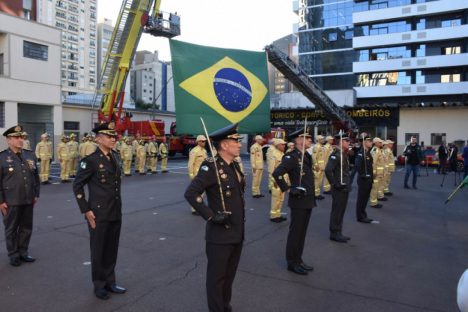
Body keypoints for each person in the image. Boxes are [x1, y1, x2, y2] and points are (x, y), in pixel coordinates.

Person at [184, 123, 245, 312]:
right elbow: (191, 193)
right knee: (217, 279)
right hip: (220, 234)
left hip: (236, 232)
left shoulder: (234, 165)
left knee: (228, 277)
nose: (240, 145)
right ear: (224, 145)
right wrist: (211, 216)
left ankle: (225, 307)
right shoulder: (211, 167)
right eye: (236, 141)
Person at [73, 122, 126, 300]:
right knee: (98, 250)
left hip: (115, 211)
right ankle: (99, 285)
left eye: (114, 136)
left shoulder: (116, 157)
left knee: (112, 249)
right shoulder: (90, 161)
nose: (113, 139)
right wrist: (86, 210)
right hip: (98, 213)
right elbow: (77, 186)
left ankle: (110, 282)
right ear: (99, 139)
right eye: (109, 136)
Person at [272, 127, 315, 276]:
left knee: (302, 233)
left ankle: (299, 259)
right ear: (298, 140)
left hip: (308, 199)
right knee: (295, 233)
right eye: (307, 138)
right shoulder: (291, 157)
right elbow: (277, 173)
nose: (310, 140)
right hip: (298, 200)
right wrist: (289, 188)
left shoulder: (306, 156)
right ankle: (292, 263)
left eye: (310, 138)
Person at [0, 125, 40, 266]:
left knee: (26, 227)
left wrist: (36, 194)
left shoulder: (29, 154)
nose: (20, 140)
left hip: (28, 198)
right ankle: (13, 254)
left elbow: (35, 176)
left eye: (21, 137)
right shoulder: (2, 157)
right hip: (10, 200)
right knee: (11, 228)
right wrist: (1, 201)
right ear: (8, 140)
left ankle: (23, 252)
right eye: (16, 137)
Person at [325, 133, 351, 243]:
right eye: (347, 141)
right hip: (339, 188)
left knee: (341, 211)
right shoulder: (335, 155)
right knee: (337, 211)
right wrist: (334, 184)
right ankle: (334, 233)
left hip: (344, 187)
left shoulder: (343, 154)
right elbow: (328, 170)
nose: (349, 143)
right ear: (341, 142)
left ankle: (339, 231)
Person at [354, 135, 374, 223]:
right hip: (363, 180)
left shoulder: (368, 152)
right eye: (369, 141)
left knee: (365, 198)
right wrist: (363, 174)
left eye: (371, 141)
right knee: (361, 199)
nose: (371, 142)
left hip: (369, 179)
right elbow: (357, 166)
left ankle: (363, 214)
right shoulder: (361, 153)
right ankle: (360, 216)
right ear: (364, 142)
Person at [268, 138, 288, 223]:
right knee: (276, 198)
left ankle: (278, 214)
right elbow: (271, 170)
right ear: (277, 145)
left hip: (283, 179)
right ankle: (273, 216)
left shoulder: (282, 153)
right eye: (282, 144)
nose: (284, 146)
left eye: (284, 144)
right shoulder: (274, 154)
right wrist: (274, 181)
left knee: (281, 198)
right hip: (277, 180)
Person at [188, 135, 208, 215]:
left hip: (204, 174)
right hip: (197, 175)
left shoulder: (204, 151)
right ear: (198, 142)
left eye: (205, 141)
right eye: (202, 141)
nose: (204, 142)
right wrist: (191, 175)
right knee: (197, 193)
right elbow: (190, 164)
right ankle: (195, 209)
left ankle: (197, 207)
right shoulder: (194, 151)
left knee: (202, 193)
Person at [369, 138, 385, 208]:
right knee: (374, 188)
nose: (381, 144)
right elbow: (373, 162)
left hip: (379, 173)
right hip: (376, 174)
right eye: (380, 142)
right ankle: (373, 203)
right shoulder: (375, 150)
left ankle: (375, 201)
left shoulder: (378, 150)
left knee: (377, 187)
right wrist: (373, 172)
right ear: (376, 143)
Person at [311, 135, 326, 200]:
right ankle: (315, 194)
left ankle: (317, 193)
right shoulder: (316, 147)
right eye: (322, 139)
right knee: (316, 181)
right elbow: (314, 157)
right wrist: (316, 165)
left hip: (322, 167)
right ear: (318, 140)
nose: (323, 140)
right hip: (318, 167)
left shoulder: (321, 147)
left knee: (319, 182)